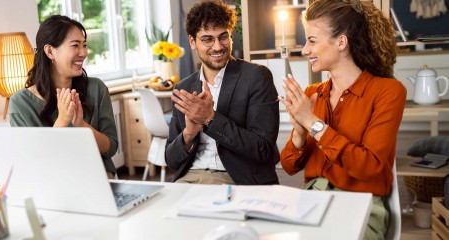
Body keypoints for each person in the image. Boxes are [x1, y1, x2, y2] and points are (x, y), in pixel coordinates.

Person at [278, 0, 406, 239]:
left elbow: (370, 166)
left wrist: (314, 125)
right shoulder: (312, 94)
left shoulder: (388, 91)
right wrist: (298, 132)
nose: (305, 50)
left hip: (361, 205)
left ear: (341, 42)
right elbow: (288, 166)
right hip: (311, 202)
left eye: (312, 41)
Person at [166, 0, 280, 185]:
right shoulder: (183, 89)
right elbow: (171, 160)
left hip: (236, 177)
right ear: (192, 41)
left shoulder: (256, 77)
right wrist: (188, 133)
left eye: (223, 37)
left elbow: (263, 149)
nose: (218, 46)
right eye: (208, 39)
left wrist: (210, 119)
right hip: (190, 176)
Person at [8, 15, 118, 178]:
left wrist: (81, 126)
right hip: (52, 187)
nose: (84, 52)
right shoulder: (20, 103)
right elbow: (34, 163)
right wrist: (62, 121)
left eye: (84, 45)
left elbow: (111, 147)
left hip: (101, 181)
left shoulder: (97, 88)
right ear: (50, 51)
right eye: (75, 45)